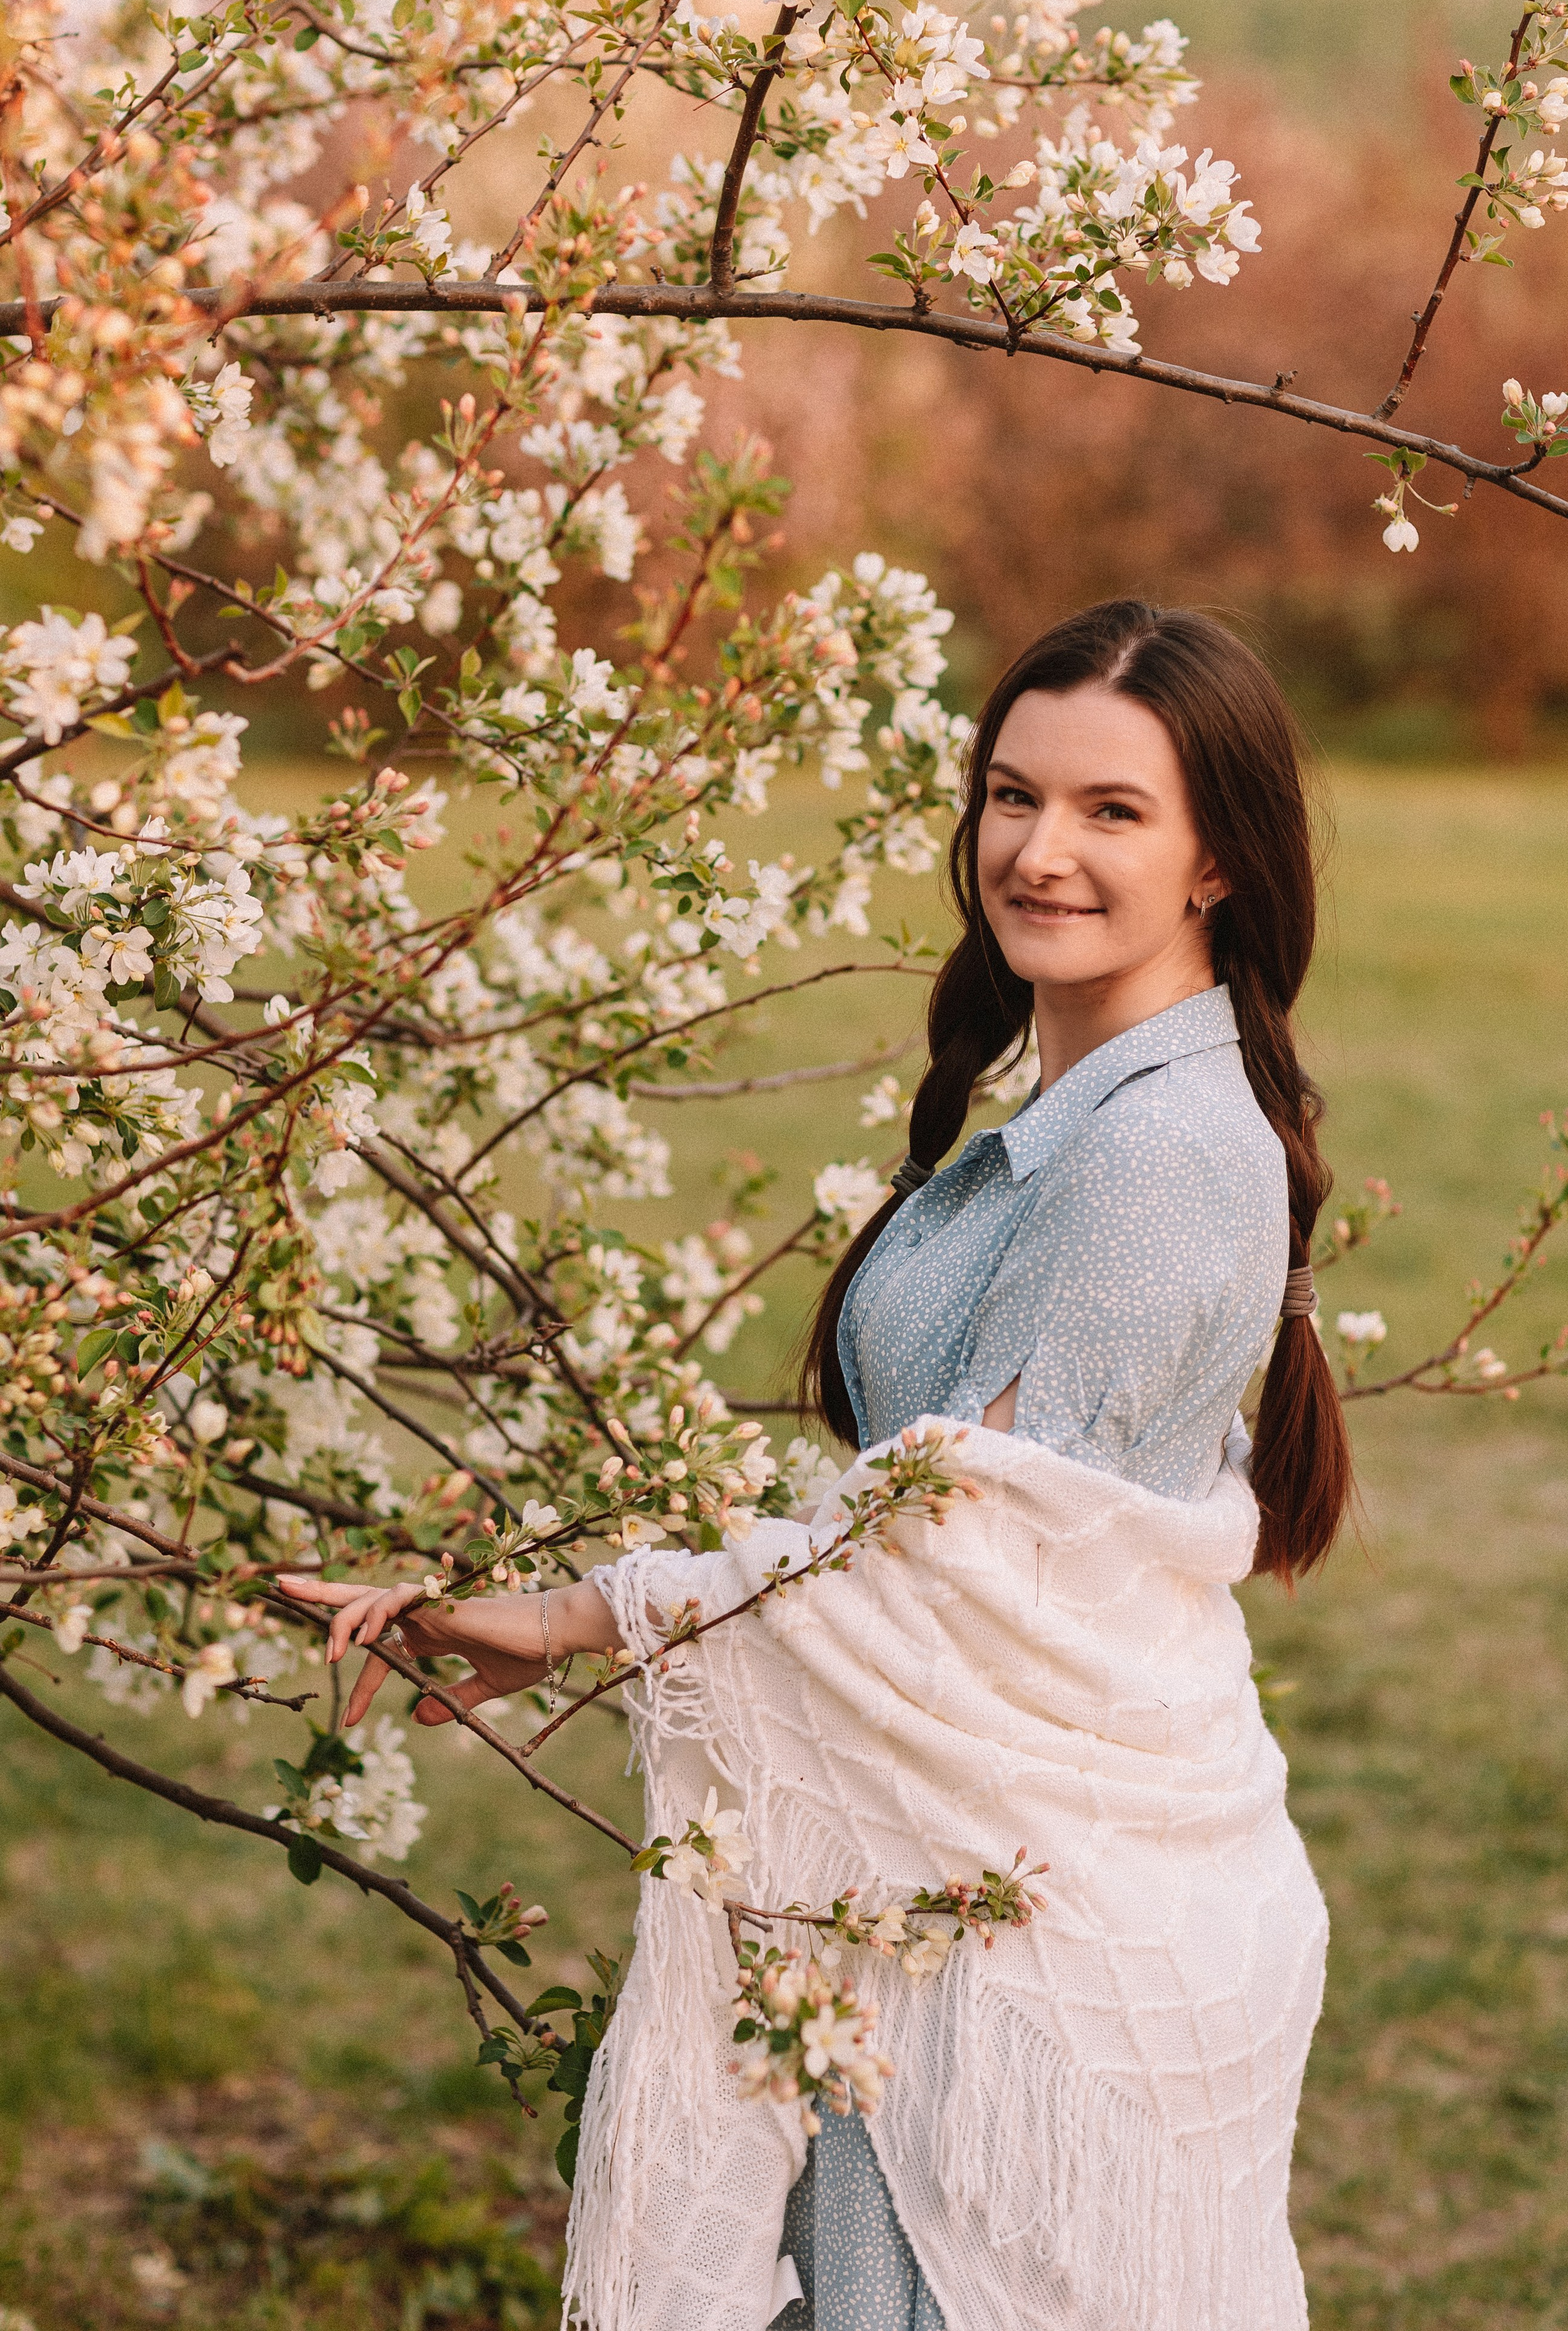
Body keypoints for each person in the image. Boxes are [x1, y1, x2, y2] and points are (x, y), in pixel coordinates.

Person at [283, 598, 1349, 2331]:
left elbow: (948, 1574)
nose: (1040, 850)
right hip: (944, 1875)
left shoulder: (1159, 1152)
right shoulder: (1093, 1113)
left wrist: (567, 1624)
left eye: (1111, 811)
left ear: (1218, 855)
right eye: (1012, 796)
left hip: (1029, 1948)